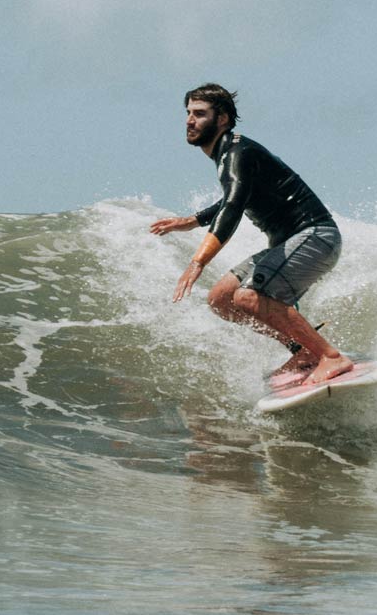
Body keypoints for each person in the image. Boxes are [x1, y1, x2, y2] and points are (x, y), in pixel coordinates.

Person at [148, 83, 356, 389]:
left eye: (200, 114)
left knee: (247, 297)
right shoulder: (229, 153)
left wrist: (198, 262)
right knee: (221, 299)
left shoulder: (237, 152)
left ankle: (330, 356)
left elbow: (233, 207)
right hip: (293, 243)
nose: (190, 121)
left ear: (222, 119)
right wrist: (192, 221)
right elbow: (237, 196)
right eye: (188, 113)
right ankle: (302, 352)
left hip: (315, 236)